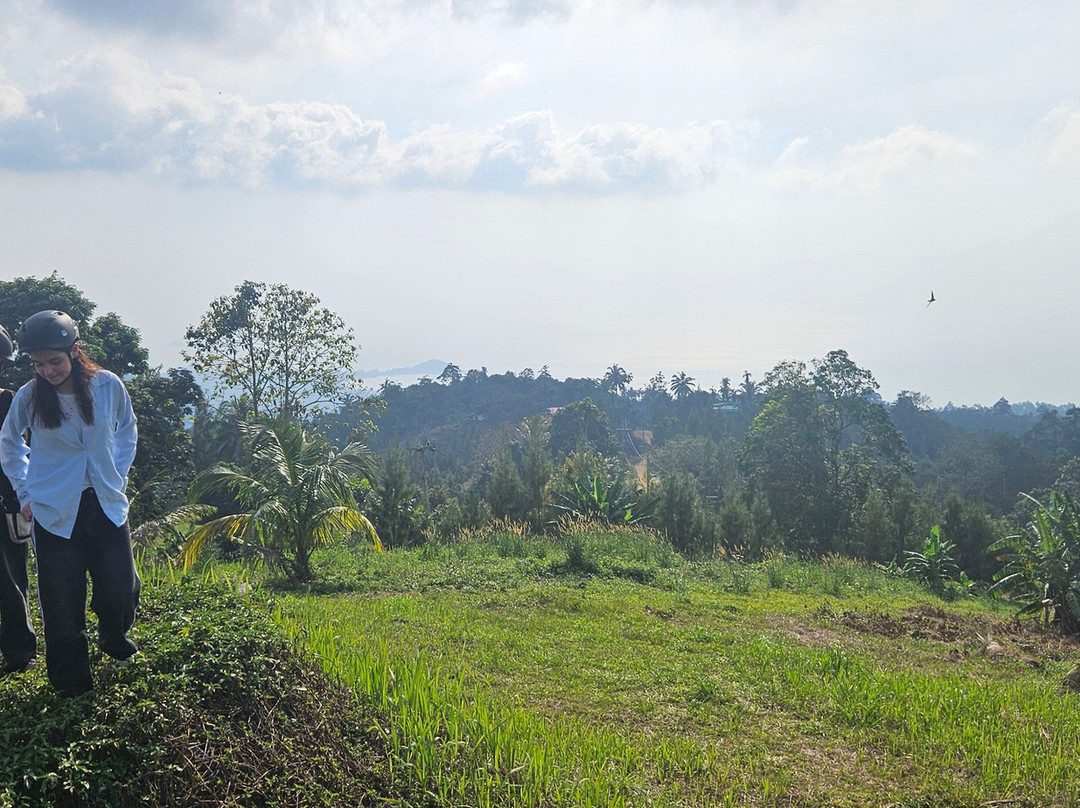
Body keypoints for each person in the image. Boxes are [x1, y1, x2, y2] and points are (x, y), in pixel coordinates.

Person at [0, 310, 139, 697]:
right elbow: (9, 443)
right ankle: (72, 688)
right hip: (55, 512)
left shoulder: (107, 386)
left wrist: (117, 473)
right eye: (38, 363)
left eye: (54, 361)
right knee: (61, 608)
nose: (47, 370)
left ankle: (113, 635)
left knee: (120, 589)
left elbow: (127, 430)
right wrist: (26, 493)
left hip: (106, 506)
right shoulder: (29, 396)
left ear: (75, 351)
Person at [0, 323, 37, 674]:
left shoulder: (8, 401)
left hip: (5, 503)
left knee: (10, 581)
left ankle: (20, 651)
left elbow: (19, 452)